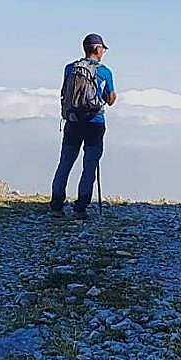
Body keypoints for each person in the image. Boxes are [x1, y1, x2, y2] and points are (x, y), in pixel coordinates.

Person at [50, 34, 117, 220]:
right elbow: (111, 99)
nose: (103, 52)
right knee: (89, 165)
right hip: (95, 123)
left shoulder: (70, 68)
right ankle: (80, 208)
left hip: (73, 122)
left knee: (65, 163)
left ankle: (56, 206)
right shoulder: (105, 72)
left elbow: (65, 92)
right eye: (102, 49)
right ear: (97, 49)